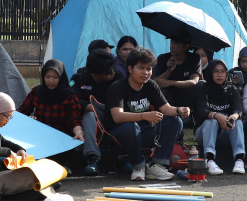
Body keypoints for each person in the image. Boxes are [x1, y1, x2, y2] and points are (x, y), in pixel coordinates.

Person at [106, 47, 190, 181]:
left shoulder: (151, 85)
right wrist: (144, 116)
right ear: (130, 69)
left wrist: (180, 110)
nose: (145, 72)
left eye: (149, 69)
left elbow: (166, 109)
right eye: (141, 68)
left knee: (175, 121)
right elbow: (117, 117)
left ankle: (157, 166)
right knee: (130, 126)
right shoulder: (118, 87)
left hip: (143, 133)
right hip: (121, 135)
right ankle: (138, 166)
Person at [70, 49, 118, 175]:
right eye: (107, 72)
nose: (112, 72)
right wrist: (89, 107)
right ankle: (92, 157)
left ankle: (124, 156)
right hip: (89, 118)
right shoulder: (80, 78)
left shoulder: (117, 77)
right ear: (96, 75)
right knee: (89, 115)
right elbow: (72, 99)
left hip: (112, 115)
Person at [194, 59, 246, 175]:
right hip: (204, 133)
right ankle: (209, 160)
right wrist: (217, 116)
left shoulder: (232, 89)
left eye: (223, 71)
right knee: (211, 121)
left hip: (225, 133)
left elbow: (239, 110)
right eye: (216, 71)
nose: (220, 75)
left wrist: (233, 116)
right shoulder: (202, 88)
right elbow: (202, 111)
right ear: (210, 73)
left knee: (237, 122)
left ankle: (239, 160)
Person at [18, 60, 85, 141]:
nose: (51, 81)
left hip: (62, 137)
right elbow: (23, 111)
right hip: (40, 135)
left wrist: (78, 132)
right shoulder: (37, 92)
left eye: (55, 77)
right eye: (47, 77)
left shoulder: (70, 96)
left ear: (61, 77)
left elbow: (74, 120)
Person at [152, 31, 201, 109]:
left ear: (186, 46)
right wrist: (169, 70)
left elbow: (194, 81)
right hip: (167, 99)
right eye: (171, 42)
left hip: (186, 97)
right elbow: (154, 83)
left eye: (176, 43)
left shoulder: (194, 58)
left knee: (201, 84)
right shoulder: (162, 58)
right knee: (160, 89)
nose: (172, 46)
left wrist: (171, 82)